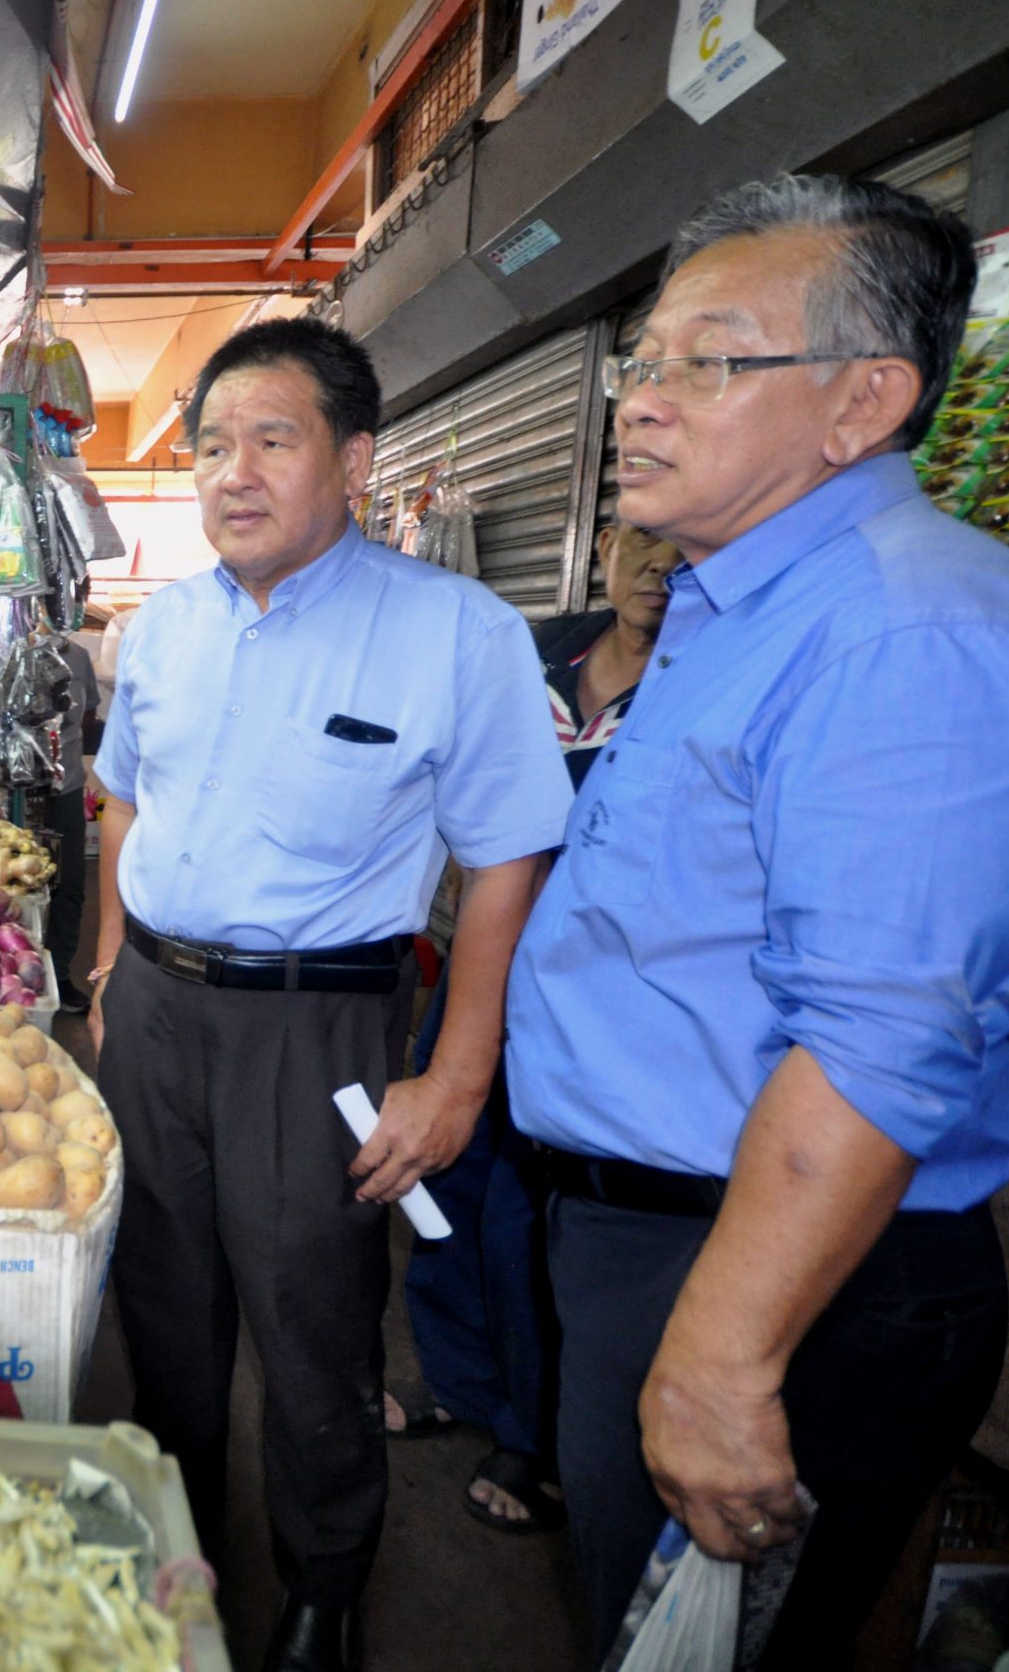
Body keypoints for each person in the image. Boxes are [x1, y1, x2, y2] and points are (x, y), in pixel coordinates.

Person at [505, 175, 1009, 1668]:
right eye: (640, 364)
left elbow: (877, 1037)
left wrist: (725, 1357)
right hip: (655, 1238)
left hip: (786, 1277)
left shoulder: (920, 633)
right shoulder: (743, 611)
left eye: (705, 362)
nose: (639, 405)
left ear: (864, 404)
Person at [85, 316, 571, 1672]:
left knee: (311, 1319)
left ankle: (324, 1582)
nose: (231, 474)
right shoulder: (166, 629)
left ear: (355, 459)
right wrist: (111, 963)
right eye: (211, 447)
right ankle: (186, 1551)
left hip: (321, 1027)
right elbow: (122, 799)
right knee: (165, 1309)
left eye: (271, 441)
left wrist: (459, 1074)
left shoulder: (456, 634)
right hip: (161, 1015)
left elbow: (504, 861)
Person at [397, 520, 680, 1535]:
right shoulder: (535, 651)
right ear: (605, 543)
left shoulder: (702, 681)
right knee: (439, 1180)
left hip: (589, 1005)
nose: (659, 565)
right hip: (481, 974)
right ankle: (454, 1376)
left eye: (683, 546)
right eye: (641, 541)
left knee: (529, 1219)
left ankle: (533, 1429)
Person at [46, 610, 100, 1012]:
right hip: (11, 786)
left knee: (70, 884)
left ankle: (59, 976)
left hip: (65, 787)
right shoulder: (6, 649)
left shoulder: (79, 657)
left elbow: (86, 717)